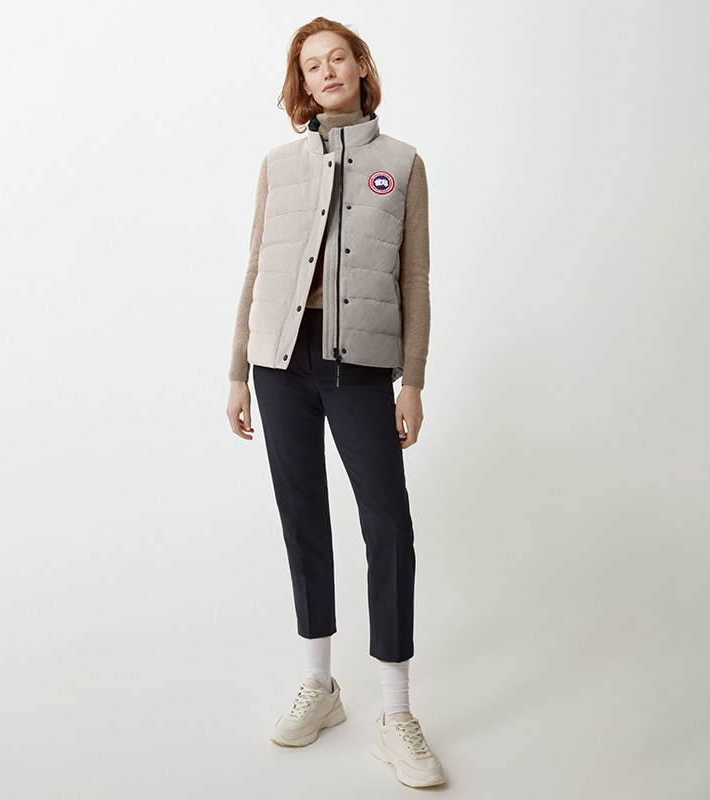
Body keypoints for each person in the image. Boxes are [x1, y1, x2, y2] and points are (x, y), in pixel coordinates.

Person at [226, 16, 445, 789]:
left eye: (337, 57)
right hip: (278, 362)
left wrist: (412, 378)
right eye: (311, 64)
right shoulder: (277, 165)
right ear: (303, 82)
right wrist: (236, 371)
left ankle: (396, 713)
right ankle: (320, 686)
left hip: (361, 365)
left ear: (360, 67)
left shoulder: (403, 163)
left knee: (388, 525)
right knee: (303, 519)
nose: (326, 71)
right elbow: (256, 268)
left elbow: (414, 278)